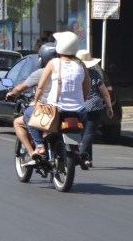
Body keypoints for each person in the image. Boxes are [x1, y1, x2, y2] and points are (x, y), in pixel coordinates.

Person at [12, 31, 89, 164]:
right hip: (79, 112)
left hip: (55, 111)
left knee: (28, 115)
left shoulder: (54, 63)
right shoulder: (82, 65)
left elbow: (41, 87)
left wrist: (35, 102)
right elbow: (87, 89)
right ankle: (76, 150)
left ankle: (40, 147)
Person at [76, 49, 114, 167]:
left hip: (78, 106)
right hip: (94, 106)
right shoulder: (95, 74)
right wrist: (109, 107)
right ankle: (83, 157)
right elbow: (105, 93)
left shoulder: (75, 74)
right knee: (89, 133)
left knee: (84, 133)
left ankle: (88, 159)